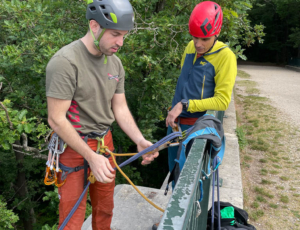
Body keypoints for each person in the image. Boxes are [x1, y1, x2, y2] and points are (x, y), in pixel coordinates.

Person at [46, 0, 158, 229]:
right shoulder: (65, 62)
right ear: (95, 26)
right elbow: (56, 119)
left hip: (104, 144)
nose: (121, 42)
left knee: (105, 210)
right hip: (73, 147)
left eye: (124, 35)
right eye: (116, 34)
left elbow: (120, 108)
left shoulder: (115, 64)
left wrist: (139, 140)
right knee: (71, 219)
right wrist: (90, 156)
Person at [166, 0, 237, 185]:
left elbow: (222, 101)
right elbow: (184, 83)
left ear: (217, 33)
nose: (197, 44)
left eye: (204, 39)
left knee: (190, 182)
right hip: (175, 126)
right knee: (174, 173)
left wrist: (185, 104)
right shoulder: (190, 47)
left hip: (195, 130)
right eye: (194, 37)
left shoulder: (225, 57)